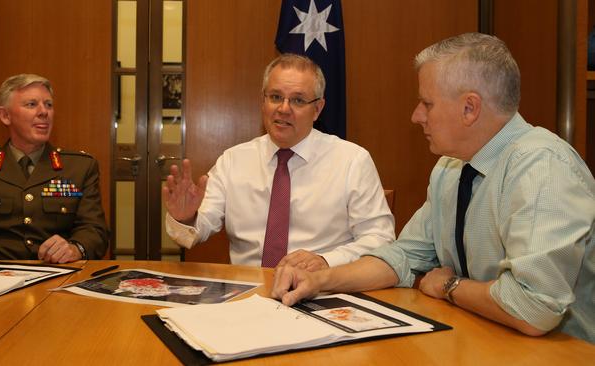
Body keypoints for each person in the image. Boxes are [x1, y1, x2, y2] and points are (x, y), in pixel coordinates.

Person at [272, 33, 594, 343]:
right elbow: (403, 257)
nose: (416, 116)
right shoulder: (450, 168)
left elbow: (532, 307)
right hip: (483, 339)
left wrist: (449, 286)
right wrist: (320, 280)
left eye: (427, 103)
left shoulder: (542, 166)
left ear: (470, 108)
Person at [163, 54, 394, 269]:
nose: (283, 109)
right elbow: (196, 230)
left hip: (323, 291)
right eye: (275, 97)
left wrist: (326, 261)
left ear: (317, 109)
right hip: (248, 295)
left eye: (298, 100)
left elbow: (380, 239)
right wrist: (187, 218)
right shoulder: (233, 161)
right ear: (263, 102)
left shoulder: (352, 161)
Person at [0, 74, 109, 272]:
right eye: (31, 104)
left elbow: (95, 231)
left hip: (56, 274)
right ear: (5, 115)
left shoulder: (79, 167)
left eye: (48, 105)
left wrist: (75, 248)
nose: (44, 112)